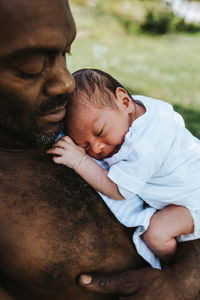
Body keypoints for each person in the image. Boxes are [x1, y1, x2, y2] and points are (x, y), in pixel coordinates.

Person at [0, 1, 199, 300]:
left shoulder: (84, 119)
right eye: (30, 66)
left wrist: (185, 279)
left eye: (65, 53)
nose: (66, 83)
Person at [48, 68, 199, 268]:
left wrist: (80, 161)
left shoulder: (145, 146)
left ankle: (177, 269)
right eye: (83, 145)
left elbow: (118, 190)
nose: (96, 147)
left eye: (100, 131)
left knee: (156, 233)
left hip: (193, 201)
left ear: (125, 101)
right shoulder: (136, 109)